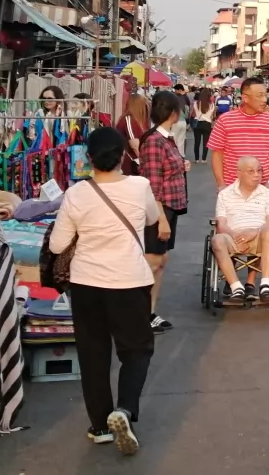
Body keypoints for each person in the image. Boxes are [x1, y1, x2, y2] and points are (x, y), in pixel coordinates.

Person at [48, 127, 169, 455]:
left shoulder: (76, 194)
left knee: (93, 354)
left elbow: (57, 245)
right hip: (129, 281)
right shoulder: (139, 186)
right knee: (136, 350)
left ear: (88, 158)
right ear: (122, 156)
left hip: (86, 283)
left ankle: (100, 426)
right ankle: (125, 409)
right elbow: (152, 218)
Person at [139, 91, 190, 334]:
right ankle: (139, 315)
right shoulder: (154, 141)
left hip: (170, 207)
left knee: (160, 261)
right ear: (174, 113)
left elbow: (166, 170)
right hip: (160, 210)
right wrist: (161, 219)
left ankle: (148, 313)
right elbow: (152, 184)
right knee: (152, 261)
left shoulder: (165, 138)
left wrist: (182, 166)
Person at [212, 156, 269, 304]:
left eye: (259, 171)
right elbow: (221, 224)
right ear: (239, 173)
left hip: (260, 237)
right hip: (233, 237)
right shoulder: (225, 194)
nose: (256, 175)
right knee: (217, 239)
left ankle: (265, 285)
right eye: (251, 171)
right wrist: (236, 236)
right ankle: (236, 287)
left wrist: (254, 232)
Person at [209, 77, 269, 189]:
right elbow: (217, 154)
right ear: (245, 98)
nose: (264, 100)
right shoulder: (224, 120)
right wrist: (221, 184)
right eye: (259, 95)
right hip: (231, 188)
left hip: (263, 189)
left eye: (265, 95)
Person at [118, 94, 150, 176]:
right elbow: (134, 145)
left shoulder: (142, 121)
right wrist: (145, 162)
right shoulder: (128, 119)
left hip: (136, 161)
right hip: (130, 163)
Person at [190, 90, 216, 164]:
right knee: (206, 142)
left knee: (197, 142)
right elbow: (213, 116)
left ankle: (197, 159)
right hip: (207, 124)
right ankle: (204, 159)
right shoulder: (212, 104)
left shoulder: (196, 103)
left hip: (198, 124)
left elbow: (193, 114)